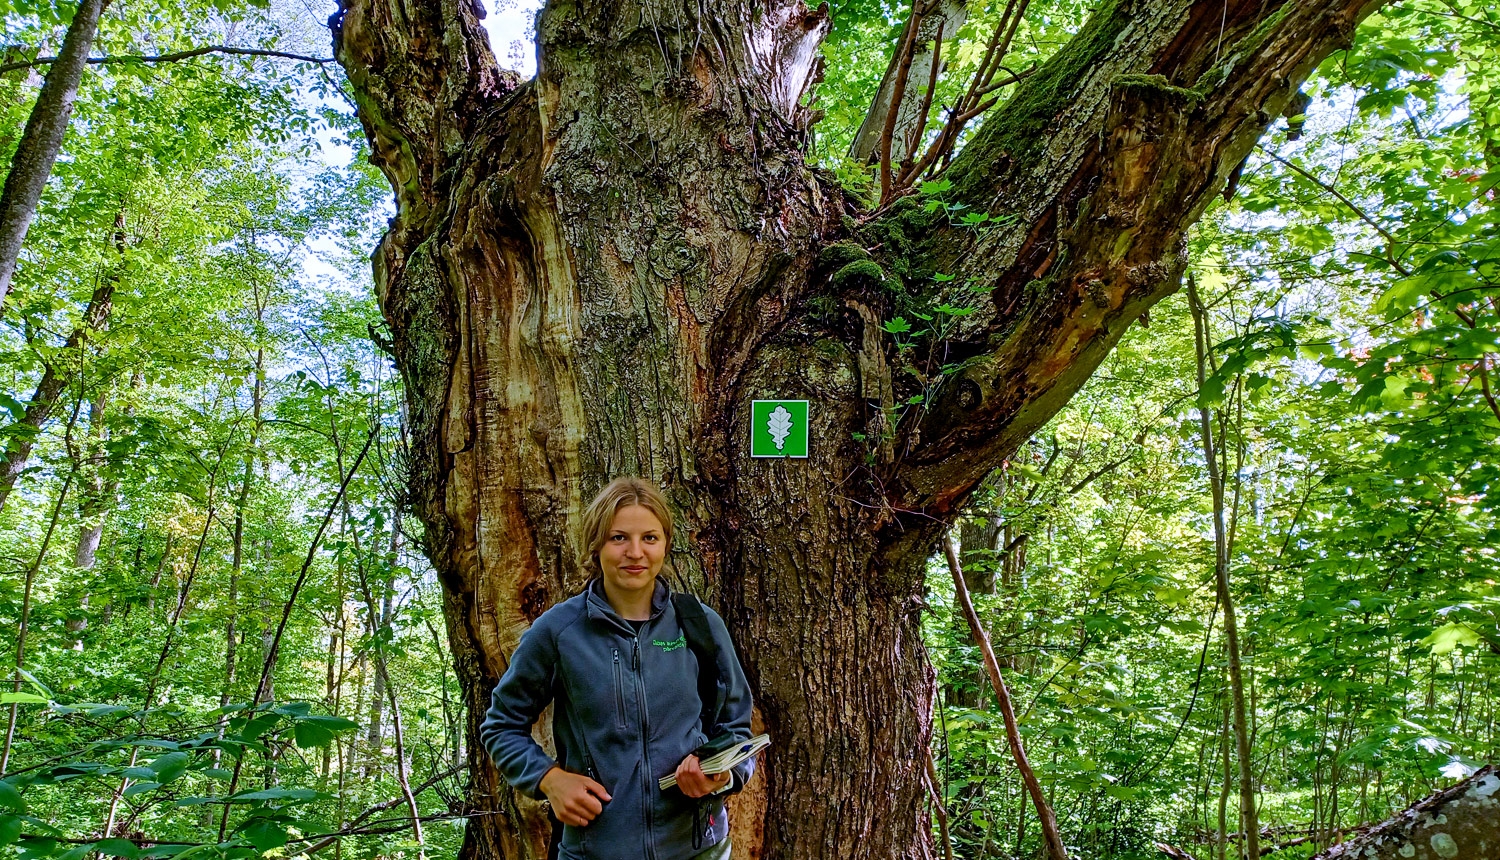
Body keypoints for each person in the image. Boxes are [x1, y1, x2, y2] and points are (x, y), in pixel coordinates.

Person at [480, 477, 756, 860]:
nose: (635, 552)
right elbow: (501, 725)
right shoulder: (559, 632)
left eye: (650, 538)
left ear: (666, 544)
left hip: (698, 848)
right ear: (597, 545)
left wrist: (722, 774)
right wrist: (548, 779)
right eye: (619, 538)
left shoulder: (699, 624)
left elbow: (737, 730)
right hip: (595, 849)